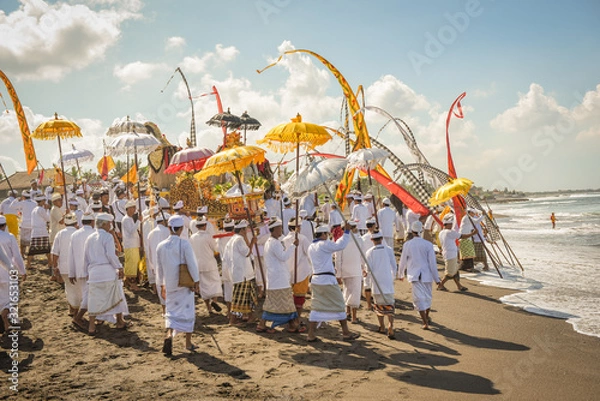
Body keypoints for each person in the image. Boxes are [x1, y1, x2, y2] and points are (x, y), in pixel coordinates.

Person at [306, 223, 360, 342]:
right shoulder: (324, 244)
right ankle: (345, 333)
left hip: (316, 279)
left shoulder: (311, 247)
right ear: (323, 234)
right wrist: (346, 232)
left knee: (316, 307)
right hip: (327, 280)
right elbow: (340, 245)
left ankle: (310, 334)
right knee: (340, 305)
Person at [157, 215, 200, 356]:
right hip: (184, 284)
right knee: (187, 312)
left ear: (169, 228)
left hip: (169, 284)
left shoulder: (160, 246)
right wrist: (196, 280)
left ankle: (169, 335)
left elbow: (159, 269)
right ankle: (188, 343)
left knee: (171, 313)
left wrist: (161, 285)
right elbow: (192, 264)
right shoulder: (184, 244)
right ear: (181, 229)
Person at [83, 213, 130, 336]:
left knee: (93, 299)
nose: (111, 225)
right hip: (107, 271)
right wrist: (119, 267)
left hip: (93, 272)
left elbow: (85, 258)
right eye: (109, 223)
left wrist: (86, 272)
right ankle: (120, 321)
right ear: (104, 224)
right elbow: (110, 255)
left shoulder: (89, 238)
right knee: (116, 296)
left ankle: (92, 327)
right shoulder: (108, 237)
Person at [256, 218, 304, 333]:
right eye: (279, 228)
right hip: (279, 279)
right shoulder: (274, 243)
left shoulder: (270, 241)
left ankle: (292, 324)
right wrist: (293, 246)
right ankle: (293, 324)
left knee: (273, 304)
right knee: (286, 304)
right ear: (274, 229)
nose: (281, 230)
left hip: (275, 278)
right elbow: (283, 257)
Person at [398, 221, 440, 330]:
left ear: (412, 231)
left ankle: (425, 320)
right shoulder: (428, 244)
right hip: (426, 275)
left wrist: (400, 273)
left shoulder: (407, 244)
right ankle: (425, 319)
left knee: (419, 299)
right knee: (427, 298)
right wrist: (437, 279)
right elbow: (432, 264)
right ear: (421, 231)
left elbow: (402, 261)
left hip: (415, 275)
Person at [222, 220, 257, 326]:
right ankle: (232, 320)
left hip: (241, 272)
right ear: (242, 230)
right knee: (239, 299)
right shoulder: (238, 239)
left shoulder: (232, 240)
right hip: (242, 274)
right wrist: (252, 243)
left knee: (248, 297)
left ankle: (251, 317)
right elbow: (247, 253)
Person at [366, 230, 398, 339]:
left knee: (379, 307)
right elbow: (394, 266)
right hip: (387, 282)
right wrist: (392, 277)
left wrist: (366, 272)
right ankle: (391, 325)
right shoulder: (388, 250)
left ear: (372, 240)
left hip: (377, 283)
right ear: (381, 239)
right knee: (390, 306)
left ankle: (382, 326)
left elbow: (368, 269)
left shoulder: (369, 252)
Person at [189, 217, 223, 314]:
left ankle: (208, 307)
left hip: (198, 265)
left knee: (203, 287)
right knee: (215, 283)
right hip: (209, 264)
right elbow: (216, 248)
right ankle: (214, 301)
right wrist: (220, 240)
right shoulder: (208, 236)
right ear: (205, 225)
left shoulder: (192, 237)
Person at [69, 213, 96, 332]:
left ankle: (93, 318)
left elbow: (71, 255)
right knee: (89, 296)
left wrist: (71, 272)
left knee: (89, 294)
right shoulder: (95, 233)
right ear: (92, 222)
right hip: (92, 269)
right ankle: (78, 317)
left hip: (80, 270)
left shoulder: (75, 235)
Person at [0, 215, 26, 332]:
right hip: (8, 272)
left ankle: (5, 323)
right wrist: (22, 271)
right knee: (12, 299)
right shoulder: (9, 237)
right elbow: (17, 256)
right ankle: (6, 316)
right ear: (4, 225)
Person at [334, 220, 363, 324]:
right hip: (356, 270)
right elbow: (362, 257)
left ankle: (348, 313)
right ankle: (354, 317)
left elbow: (337, 259)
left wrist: (338, 274)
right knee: (354, 293)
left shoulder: (340, 241)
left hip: (345, 270)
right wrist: (364, 268)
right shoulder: (359, 240)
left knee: (346, 291)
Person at [437, 214, 476, 292]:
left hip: (448, 253)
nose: (451, 225)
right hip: (450, 254)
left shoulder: (441, 232)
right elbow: (462, 236)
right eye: (451, 224)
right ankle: (441, 285)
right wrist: (473, 233)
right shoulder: (449, 232)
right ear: (447, 224)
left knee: (455, 271)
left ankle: (459, 286)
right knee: (450, 272)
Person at [283, 218, 311, 321]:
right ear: (297, 227)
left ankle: (292, 318)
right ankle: (296, 319)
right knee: (299, 298)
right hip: (301, 272)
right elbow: (310, 253)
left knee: (291, 297)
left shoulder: (284, 240)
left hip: (288, 272)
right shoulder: (302, 239)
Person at [50, 213, 79, 316]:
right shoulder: (78, 233)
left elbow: (55, 253)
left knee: (69, 287)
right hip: (77, 267)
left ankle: (72, 308)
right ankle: (75, 309)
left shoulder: (60, 234)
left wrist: (55, 266)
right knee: (78, 288)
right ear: (76, 223)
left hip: (64, 267)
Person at [147, 212, 170, 309]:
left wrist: (151, 265)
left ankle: (164, 309)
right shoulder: (168, 232)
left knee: (160, 285)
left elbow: (148, 251)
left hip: (156, 264)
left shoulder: (150, 233)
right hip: (168, 263)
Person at [121, 200, 142, 291]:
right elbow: (131, 231)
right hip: (130, 245)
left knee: (133, 263)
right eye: (132, 208)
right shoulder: (126, 219)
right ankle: (132, 284)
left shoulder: (129, 219)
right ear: (128, 209)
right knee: (131, 264)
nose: (134, 210)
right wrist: (138, 221)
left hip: (133, 244)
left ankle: (127, 281)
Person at [217, 219, 235, 316]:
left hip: (225, 265)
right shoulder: (236, 237)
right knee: (237, 287)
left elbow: (217, 249)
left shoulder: (220, 238)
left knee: (228, 288)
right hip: (235, 264)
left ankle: (229, 311)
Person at [29, 194, 51, 270]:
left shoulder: (34, 209)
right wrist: (47, 209)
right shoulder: (41, 210)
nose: (45, 202)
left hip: (35, 231)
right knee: (47, 248)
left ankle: (28, 264)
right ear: (41, 201)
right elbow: (48, 219)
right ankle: (50, 263)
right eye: (44, 201)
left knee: (33, 249)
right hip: (41, 231)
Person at [11, 190, 36, 257]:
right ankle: (31, 255)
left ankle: (22, 254)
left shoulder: (22, 203)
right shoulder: (35, 203)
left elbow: (11, 206)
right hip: (33, 224)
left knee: (22, 241)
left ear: (23, 196)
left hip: (24, 224)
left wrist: (16, 200)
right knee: (32, 241)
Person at [361, 218, 378, 311]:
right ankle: (376, 303)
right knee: (375, 285)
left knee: (367, 285)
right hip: (377, 264)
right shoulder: (378, 237)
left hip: (366, 264)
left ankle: (369, 305)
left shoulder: (363, 238)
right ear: (373, 225)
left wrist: (362, 265)